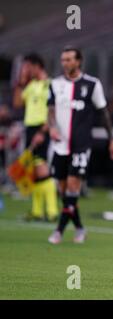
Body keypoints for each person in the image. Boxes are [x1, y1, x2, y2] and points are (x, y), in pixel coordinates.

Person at [47, 46, 113, 244]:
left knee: (72, 187)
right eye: (63, 60)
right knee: (64, 193)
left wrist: (111, 139)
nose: (66, 63)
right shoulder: (55, 84)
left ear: (78, 61)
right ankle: (79, 227)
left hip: (81, 145)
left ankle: (59, 231)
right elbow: (51, 111)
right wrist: (52, 127)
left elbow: (103, 112)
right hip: (60, 145)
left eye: (69, 59)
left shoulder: (92, 84)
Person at [13, 53, 58, 221]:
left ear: (37, 66)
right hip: (30, 129)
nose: (25, 70)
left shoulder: (50, 85)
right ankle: (37, 211)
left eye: (27, 67)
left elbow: (53, 111)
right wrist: (20, 81)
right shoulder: (31, 86)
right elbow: (17, 103)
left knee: (42, 168)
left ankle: (52, 211)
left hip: (42, 129)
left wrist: (42, 132)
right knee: (36, 171)